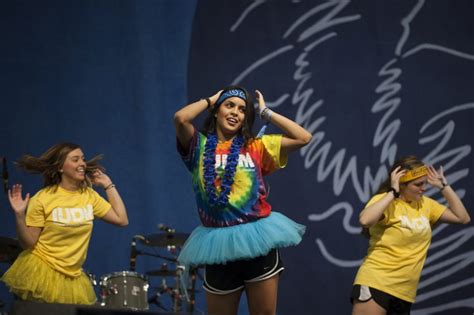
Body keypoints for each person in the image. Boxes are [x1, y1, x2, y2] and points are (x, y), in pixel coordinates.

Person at [174, 86, 312, 315]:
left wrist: (267, 113)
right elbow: (180, 118)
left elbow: (304, 137)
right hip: (218, 246)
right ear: (216, 111)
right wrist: (211, 99)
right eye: (229, 106)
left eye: (242, 110)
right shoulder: (198, 146)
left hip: (258, 239)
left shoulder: (255, 146)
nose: (235, 112)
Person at [1, 143, 128, 305]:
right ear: (60, 167)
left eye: (82, 159)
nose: (82, 163)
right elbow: (29, 243)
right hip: (43, 272)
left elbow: (121, 220)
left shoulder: (88, 195)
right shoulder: (42, 199)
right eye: (75, 160)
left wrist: (108, 185)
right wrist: (19, 215)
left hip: (73, 277)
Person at [351, 156, 470, 315]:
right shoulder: (385, 201)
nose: (424, 188)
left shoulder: (426, 204)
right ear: (401, 184)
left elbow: (462, 218)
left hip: (404, 292)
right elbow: (365, 220)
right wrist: (393, 192)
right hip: (376, 283)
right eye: (418, 184)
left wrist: (444, 187)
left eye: (425, 183)